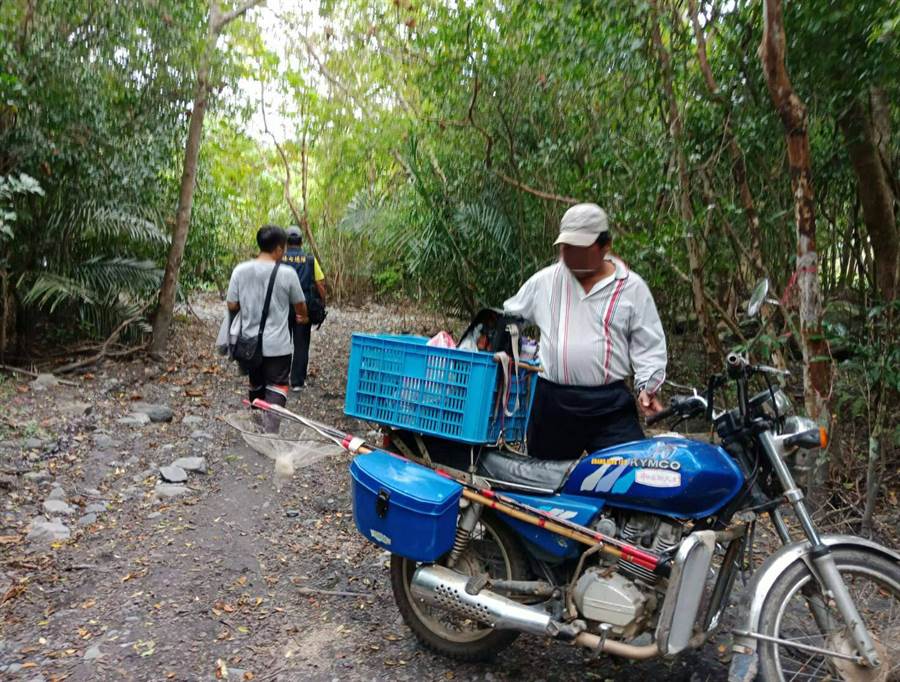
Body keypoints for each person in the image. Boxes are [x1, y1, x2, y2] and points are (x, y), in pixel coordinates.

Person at [503, 203, 667, 460]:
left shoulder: (631, 288)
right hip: (554, 403)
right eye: (566, 248)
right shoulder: (545, 281)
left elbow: (649, 345)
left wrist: (647, 386)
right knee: (543, 482)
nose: (571, 256)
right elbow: (509, 319)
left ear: (605, 246)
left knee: (629, 474)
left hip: (609, 405)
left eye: (581, 249)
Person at [226, 225, 308, 428]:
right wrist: (303, 317)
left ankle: (257, 426)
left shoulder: (240, 270)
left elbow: (232, 304)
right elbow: (300, 305)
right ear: (279, 249)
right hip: (278, 345)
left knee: (256, 384)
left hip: (249, 344)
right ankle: (270, 433)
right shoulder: (287, 274)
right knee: (277, 387)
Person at [283, 225, 326, 391]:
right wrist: (322, 303)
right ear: (301, 242)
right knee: (301, 344)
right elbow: (320, 283)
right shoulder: (309, 260)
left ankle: (280, 377)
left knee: (282, 341)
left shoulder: (279, 258)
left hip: (282, 307)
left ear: (286, 243)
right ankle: (297, 382)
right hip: (303, 307)